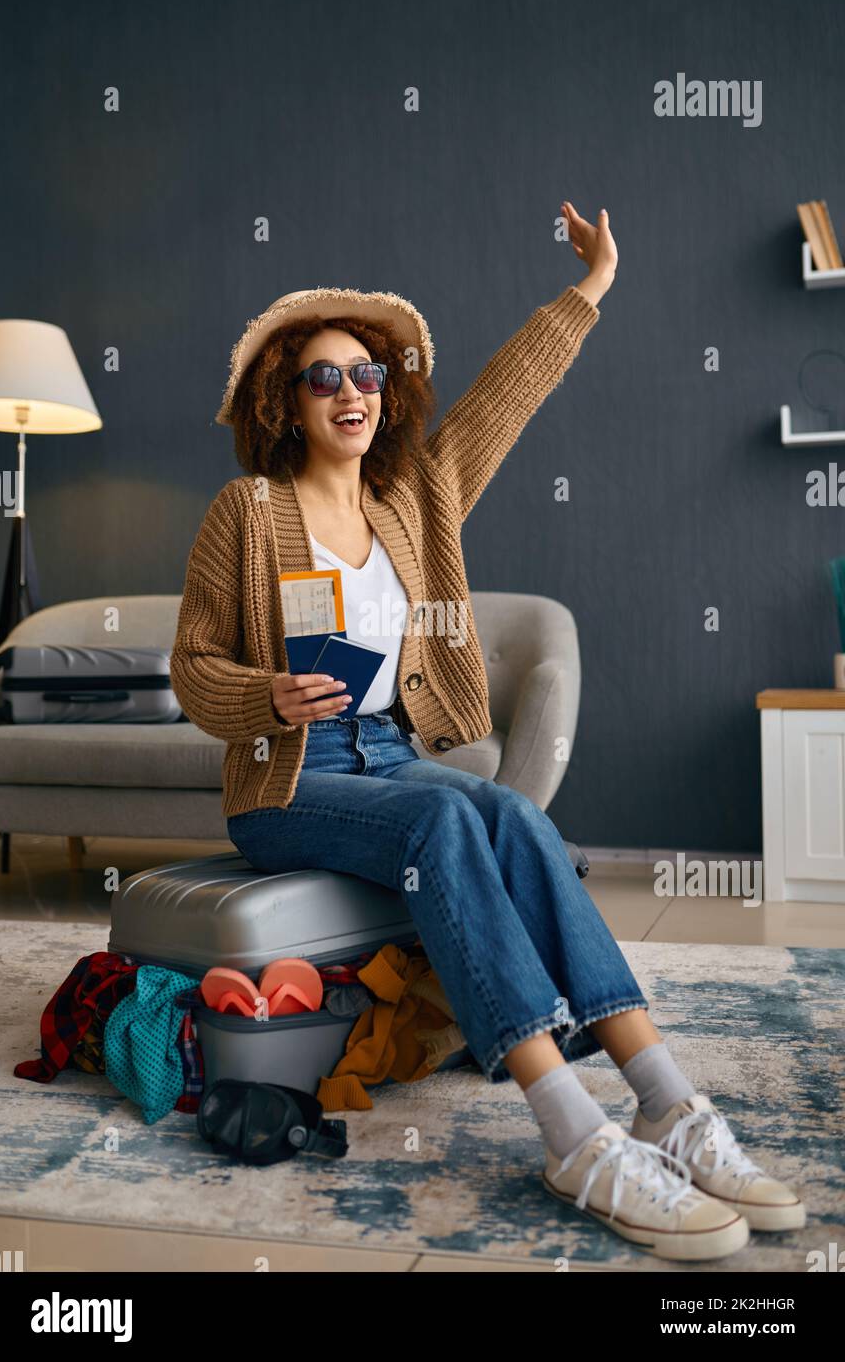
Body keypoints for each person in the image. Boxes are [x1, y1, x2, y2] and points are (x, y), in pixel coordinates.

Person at [171, 201, 804, 1261]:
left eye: (368, 375)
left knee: (508, 813)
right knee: (447, 828)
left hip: (391, 758)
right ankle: (574, 1134)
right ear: (286, 399)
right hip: (289, 782)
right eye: (325, 376)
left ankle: (667, 1103)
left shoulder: (413, 496)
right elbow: (192, 666)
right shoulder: (244, 512)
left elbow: (509, 396)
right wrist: (263, 698)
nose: (352, 393)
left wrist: (591, 288)